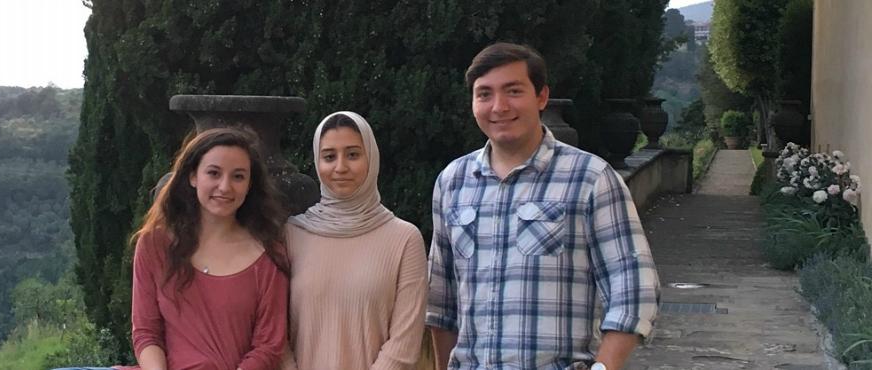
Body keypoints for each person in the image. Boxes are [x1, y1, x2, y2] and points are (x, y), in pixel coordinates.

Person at [426, 43, 660, 370]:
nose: (499, 106)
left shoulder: (590, 179)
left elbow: (634, 291)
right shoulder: (453, 182)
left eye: (513, 91)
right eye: (484, 94)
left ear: (541, 96)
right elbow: (441, 303)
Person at [55, 128, 290, 370]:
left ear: (250, 184)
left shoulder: (268, 255)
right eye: (213, 173)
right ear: (193, 177)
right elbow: (146, 333)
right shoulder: (155, 244)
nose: (225, 186)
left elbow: (268, 345)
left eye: (238, 176)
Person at [283, 111, 428, 370]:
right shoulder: (292, 235)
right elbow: (276, 333)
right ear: (317, 162)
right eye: (329, 157)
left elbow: (404, 346)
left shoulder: (404, 239)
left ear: (371, 157)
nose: (340, 167)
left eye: (353, 154)